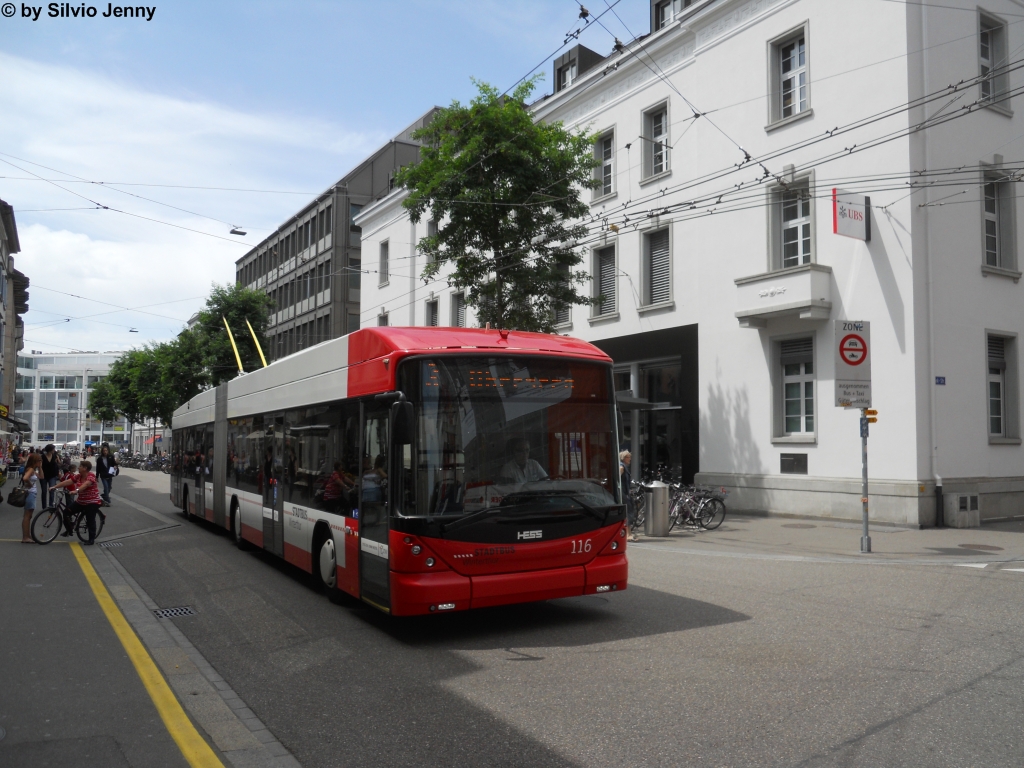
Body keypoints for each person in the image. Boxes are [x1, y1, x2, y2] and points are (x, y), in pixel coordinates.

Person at [54, 460, 104, 544]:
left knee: (90, 520)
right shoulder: (78, 476)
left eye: (80, 466)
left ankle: (91, 539)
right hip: (81, 501)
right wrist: (55, 486)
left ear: (85, 468)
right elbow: (68, 481)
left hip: (92, 502)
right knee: (66, 512)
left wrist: (76, 490)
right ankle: (69, 530)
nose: (78, 467)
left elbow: (86, 485)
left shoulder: (91, 476)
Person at [19, 453, 42, 543]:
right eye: (39, 460)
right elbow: (25, 478)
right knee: (27, 516)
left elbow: (42, 477)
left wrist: (40, 467)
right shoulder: (31, 469)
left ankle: (27, 535)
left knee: (28, 516)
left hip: (31, 493)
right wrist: (29, 483)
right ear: (35, 461)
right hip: (30, 493)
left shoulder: (32, 469)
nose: (40, 462)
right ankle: (25, 537)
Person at [620, 450, 638, 541]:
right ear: (623, 458)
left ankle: (629, 533)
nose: (630, 459)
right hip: (623, 493)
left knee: (628, 512)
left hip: (625, 493)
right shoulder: (622, 467)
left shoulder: (624, 467)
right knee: (628, 512)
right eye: (628, 457)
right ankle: (627, 535)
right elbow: (618, 479)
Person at [95, 443, 117, 507]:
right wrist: (97, 476)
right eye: (104, 451)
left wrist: (115, 466)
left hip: (109, 475)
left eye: (106, 450)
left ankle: (103, 496)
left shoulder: (111, 457)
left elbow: (114, 464)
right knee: (106, 487)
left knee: (109, 487)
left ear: (108, 451)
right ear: (102, 451)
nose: (105, 452)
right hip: (103, 475)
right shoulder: (99, 459)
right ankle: (107, 500)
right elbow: (97, 468)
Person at [40, 444, 61, 509]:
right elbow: (40, 466)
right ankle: (44, 506)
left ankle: (50, 505)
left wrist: (58, 472)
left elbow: (58, 465)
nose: (54, 450)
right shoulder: (42, 456)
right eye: (53, 449)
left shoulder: (55, 456)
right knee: (44, 491)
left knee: (52, 490)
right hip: (44, 475)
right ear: (50, 449)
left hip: (52, 475)